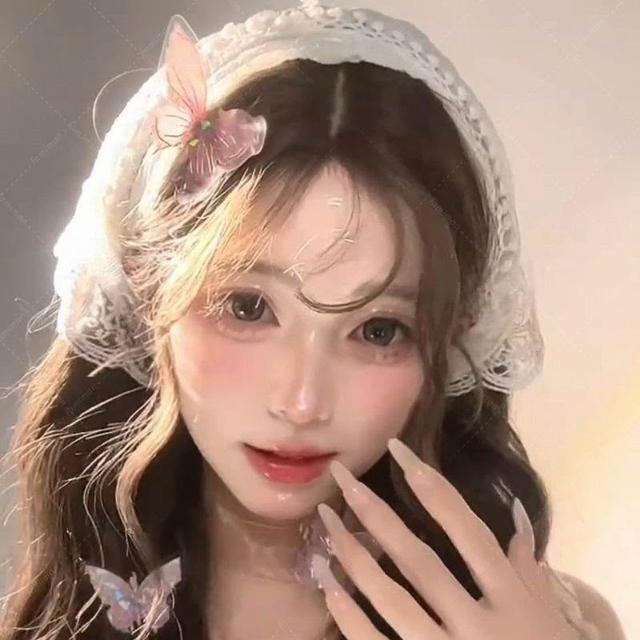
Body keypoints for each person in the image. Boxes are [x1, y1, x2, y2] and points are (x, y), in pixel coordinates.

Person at [0, 2, 626, 639]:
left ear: (453, 337)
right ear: (147, 291)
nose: (302, 403)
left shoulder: (559, 626)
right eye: (248, 307)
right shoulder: (63, 616)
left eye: (378, 330)